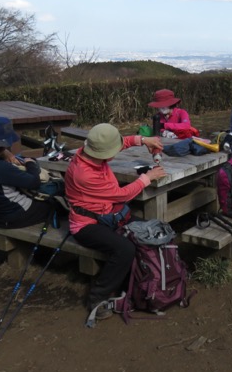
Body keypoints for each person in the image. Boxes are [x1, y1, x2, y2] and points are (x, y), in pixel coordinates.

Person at [65, 123, 166, 321]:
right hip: (86, 224)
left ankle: (144, 282)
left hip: (110, 215)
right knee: (124, 249)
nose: (116, 151)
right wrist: (147, 177)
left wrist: (144, 140)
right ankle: (97, 297)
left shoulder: (93, 153)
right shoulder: (84, 174)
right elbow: (121, 195)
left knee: (149, 232)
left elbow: (123, 143)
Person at [0, 116, 58, 235]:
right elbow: (34, 182)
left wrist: (3, 152)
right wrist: (30, 163)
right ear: (3, 143)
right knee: (58, 202)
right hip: (16, 216)